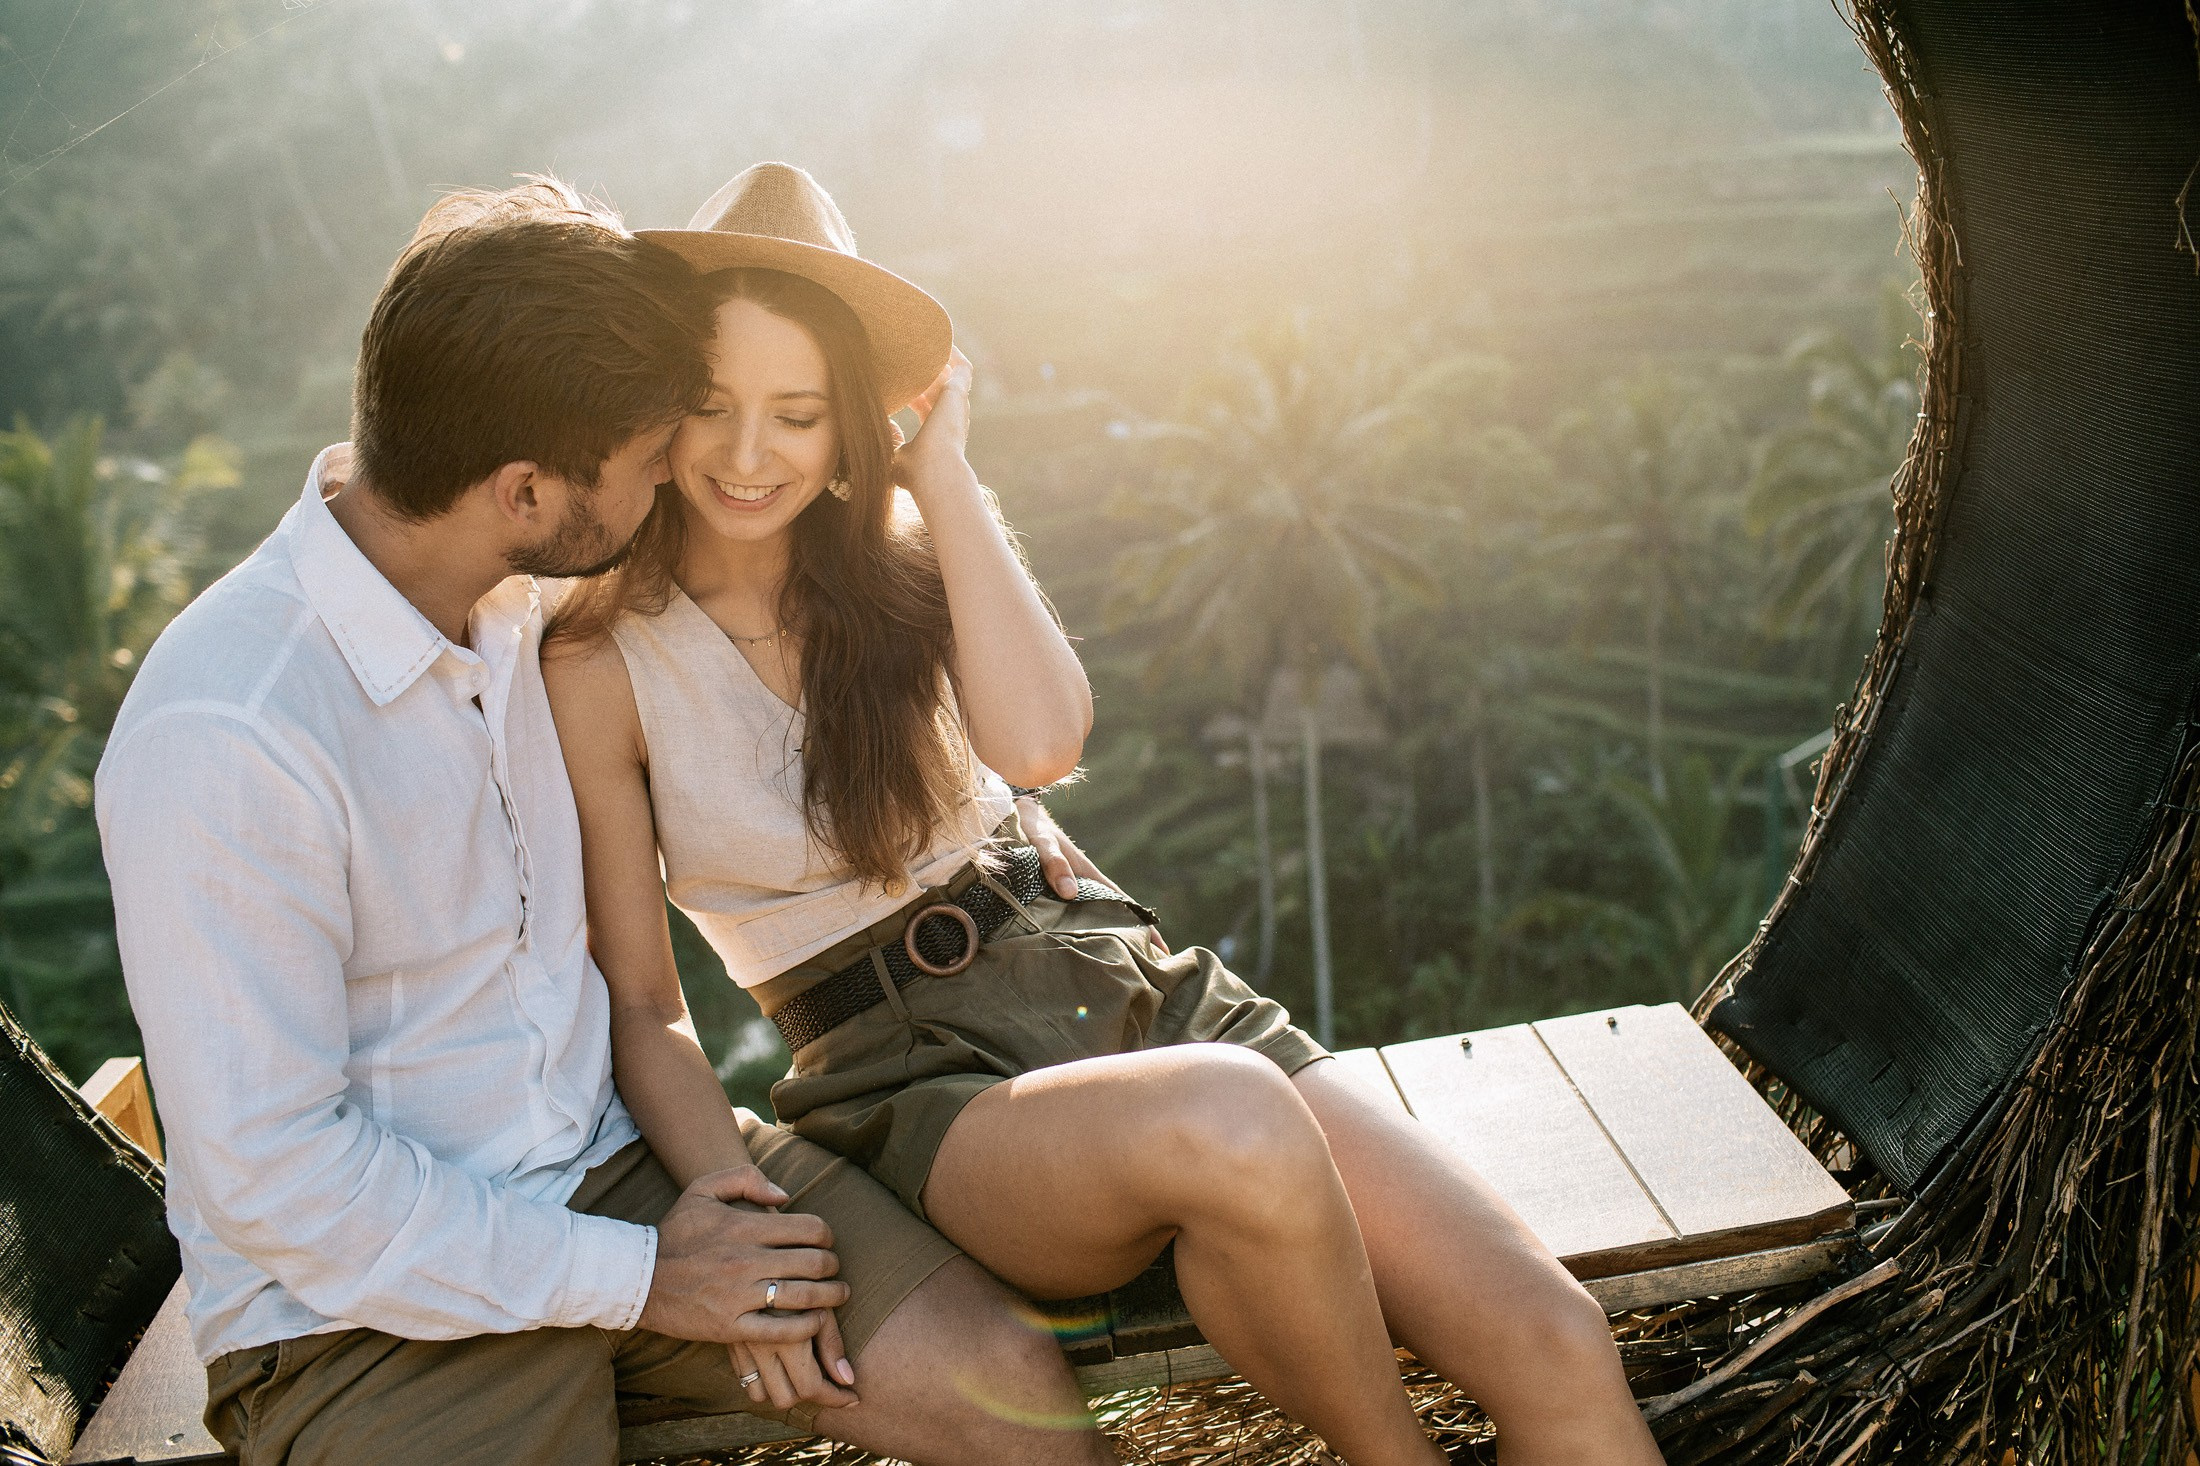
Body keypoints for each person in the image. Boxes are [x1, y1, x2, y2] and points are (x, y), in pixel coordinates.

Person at [544, 161, 1665, 1464]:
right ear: (659, 407)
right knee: (1234, 1120)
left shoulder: (914, 539)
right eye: (713, 405)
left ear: (854, 419)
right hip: (914, 1072)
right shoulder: (602, 656)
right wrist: (728, 1202)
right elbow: (643, 1001)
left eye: (797, 413)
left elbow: (1039, 742)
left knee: (1559, 1343)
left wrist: (946, 472)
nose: (748, 455)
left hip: (1122, 980)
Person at [95, 178, 1114, 1466]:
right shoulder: (232, 735)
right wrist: (636, 1279)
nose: (681, 483)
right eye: (650, 464)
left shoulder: (518, 590)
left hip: (622, 1164)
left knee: (1009, 1393)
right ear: (528, 490)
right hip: (367, 1304)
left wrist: (991, 802)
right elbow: (280, 1183)